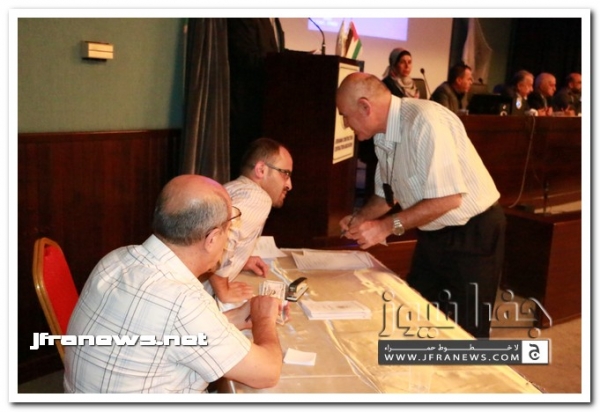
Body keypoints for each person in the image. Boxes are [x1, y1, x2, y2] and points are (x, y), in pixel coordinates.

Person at [64, 175, 284, 393]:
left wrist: (236, 317)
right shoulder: (183, 299)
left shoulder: (116, 259)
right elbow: (267, 373)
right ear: (212, 239)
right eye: (229, 226)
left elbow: (165, 332)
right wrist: (264, 319)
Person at [336, 72, 505, 339]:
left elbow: (448, 199)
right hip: (433, 232)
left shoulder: (425, 121)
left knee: (465, 332)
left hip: (473, 233)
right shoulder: (383, 135)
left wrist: (386, 227)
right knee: (418, 315)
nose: (346, 124)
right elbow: (387, 194)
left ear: (365, 107)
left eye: (346, 115)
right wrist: (360, 219)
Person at [206, 138, 293, 305]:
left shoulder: (233, 187)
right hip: (200, 297)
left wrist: (240, 258)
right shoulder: (258, 198)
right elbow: (220, 236)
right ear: (261, 170)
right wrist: (223, 289)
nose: (289, 184)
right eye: (285, 174)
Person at [227, 18, 285, 179]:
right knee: (243, 165)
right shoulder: (245, 17)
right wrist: (282, 62)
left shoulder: (272, 21)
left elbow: (274, 54)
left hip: (265, 108)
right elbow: (244, 57)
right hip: (245, 108)